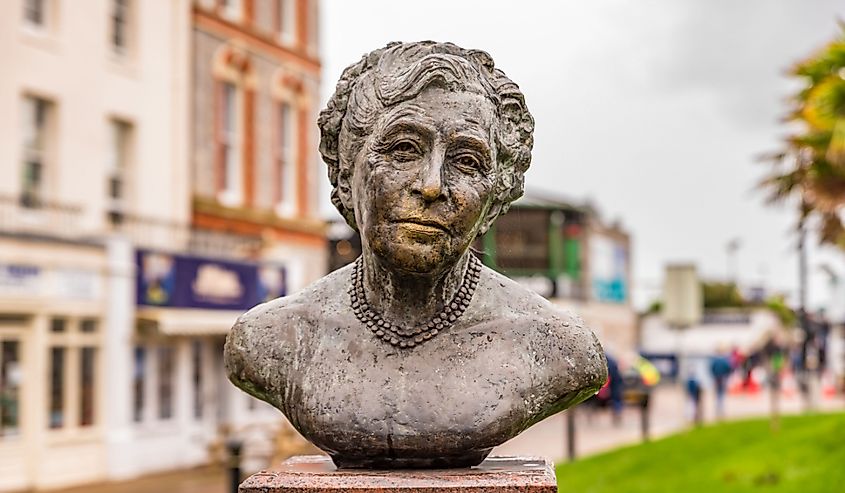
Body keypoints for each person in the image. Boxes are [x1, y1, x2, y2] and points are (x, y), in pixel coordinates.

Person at [224, 41, 607, 469]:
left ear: (494, 203)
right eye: (403, 150)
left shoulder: (558, 348)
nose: (431, 185)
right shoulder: (269, 339)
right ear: (346, 173)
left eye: (467, 161)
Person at [710, 351, 732, 419]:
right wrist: (726, 375)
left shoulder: (715, 360)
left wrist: (714, 375)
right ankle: (721, 410)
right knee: (721, 395)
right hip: (722, 378)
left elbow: (711, 368)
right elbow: (729, 368)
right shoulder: (724, 360)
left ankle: (718, 410)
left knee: (717, 395)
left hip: (717, 378)